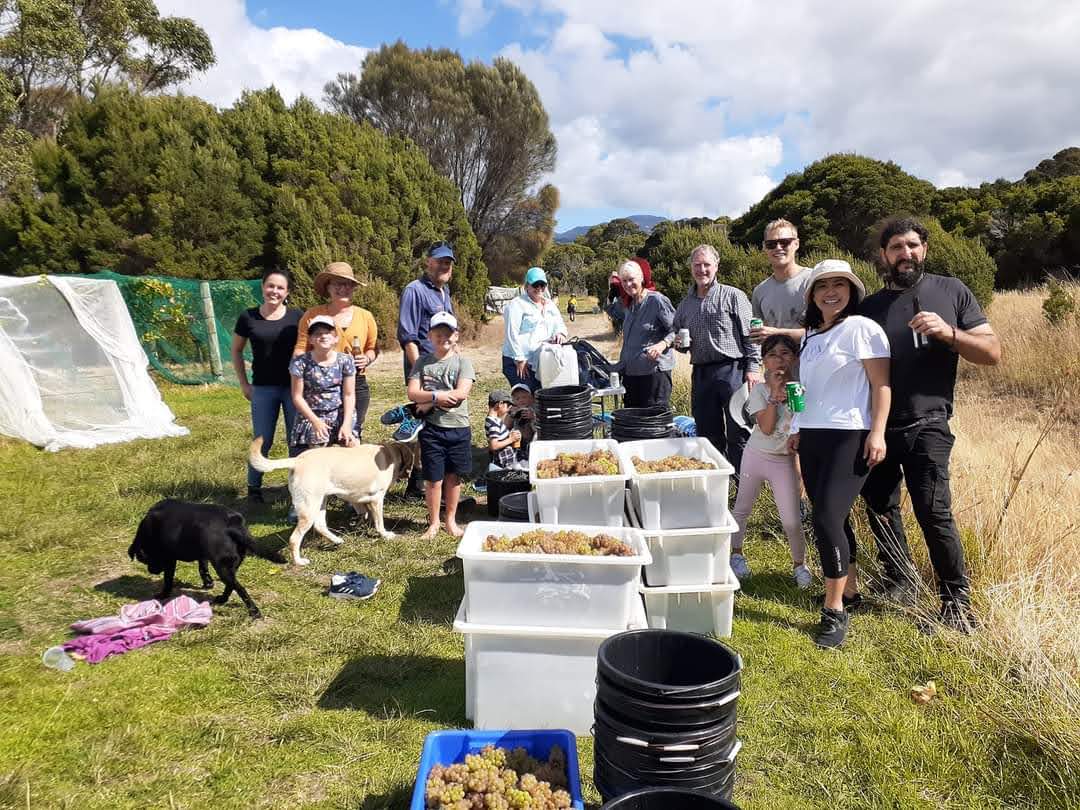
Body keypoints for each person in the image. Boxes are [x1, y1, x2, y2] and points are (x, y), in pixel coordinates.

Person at [860, 216, 1001, 631]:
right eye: (896, 247)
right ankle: (899, 580)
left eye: (912, 245)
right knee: (880, 506)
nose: (905, 253)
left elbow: (992, 353)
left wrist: (949, 333)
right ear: (884, 255)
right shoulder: (869, 308)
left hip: (930, 422)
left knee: (933, 512)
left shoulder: (951, 290)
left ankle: (956, 604)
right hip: (879, 425)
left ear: (924, 249)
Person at [788, 260, 891, 648]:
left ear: (852, 291)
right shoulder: (811, 336)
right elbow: (806, 389)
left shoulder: (863, 328)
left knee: (826, 519)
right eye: (822, 286)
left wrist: (877, 432)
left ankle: (834, 611)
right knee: (835, 518)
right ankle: (849, 591)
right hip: (813, 435)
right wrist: (797, 427)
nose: (830, 292)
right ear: (812, 295)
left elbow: (881, 385)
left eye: (839, 284)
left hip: (850, 435)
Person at [728, 335, 810, 588]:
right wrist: (774, 395)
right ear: (764, 361)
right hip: (756, 455)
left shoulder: (802, 388)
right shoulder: (760, 391)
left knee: (791, 519)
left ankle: (799, 566)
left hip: (784, 461)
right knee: (742, 508)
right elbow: (765, 427)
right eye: (772, 355)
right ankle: (736, 555)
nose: (779, 360)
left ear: (795, 358)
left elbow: (804, 424)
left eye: (785, 353)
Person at [672, 244, 762, 470]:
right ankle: (717, 480)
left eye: (706, 264)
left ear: (716, 266)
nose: (702, 270)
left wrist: (753, 368)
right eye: (697, 265)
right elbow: (679, 340)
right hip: (701, 372)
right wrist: (678, 344)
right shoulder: (685, 305)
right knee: (707, 433)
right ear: (691, 268)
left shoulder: (733, 296)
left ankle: (742, 484)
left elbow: (751, 335)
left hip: (733, 370)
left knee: (738, 431)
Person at [231, 269, 303, 503]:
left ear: (287, 292)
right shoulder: (248, 317)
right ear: (262, 287)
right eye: (270, 286)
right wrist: (244, 384)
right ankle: (254, 488)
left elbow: (309, 348)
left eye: (280, 288)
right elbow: (236, 350)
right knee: (263, 439)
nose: (275, 291)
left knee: (296, 440)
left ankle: (298, 488)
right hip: (262, 388)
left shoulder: (297, 317)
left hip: (294, 389)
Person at [407, 312, 475, 539]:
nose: (443, 337)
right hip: (431, 430)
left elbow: (461, 394)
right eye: (438, 333)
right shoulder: (422, 362)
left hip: (458, 428)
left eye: (448, 333)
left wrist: (428, 402)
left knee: (453, 478)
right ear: (429, 336)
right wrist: (437, 397)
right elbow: (412, 393)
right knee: (433, 479)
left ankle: (451, 520)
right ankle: (434, 522)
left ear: (456, 336)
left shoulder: (463, 362)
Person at [397, 241, 457, 496]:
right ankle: (418, 481)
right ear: (428, 262)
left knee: (434, 421)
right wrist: (420, 373)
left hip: (442, 368)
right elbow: (408, 337)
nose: (445, 266)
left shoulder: (444, 292)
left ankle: (426, 478)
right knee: (425, 422)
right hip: (423, 367)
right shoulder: (415, 290)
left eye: (448, 262)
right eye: (440, 261)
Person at [294, 262, 377, 440]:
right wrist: (300, 376)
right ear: (328, 287)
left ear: (353, 288)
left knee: (351, 433)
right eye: (338, 284)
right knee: (321, 434)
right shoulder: (312, 315)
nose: (343, 288)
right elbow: (300, 350)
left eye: (348, 284)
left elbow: (372, 349)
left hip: (356, 382)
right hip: (319, 383)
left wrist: (367, 359)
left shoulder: (366, 316)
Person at [288, 316, 359, 452]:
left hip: (340, 415)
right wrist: (315, 422)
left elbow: (349, 395)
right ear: (310, 339)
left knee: (353, 448)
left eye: (327, 333)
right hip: (313, 416)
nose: (323, 336)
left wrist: (346, 424)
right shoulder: (300, 363)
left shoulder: (346, 360)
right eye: (317, 333)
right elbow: (297, 397)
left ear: (336, 338)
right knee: (317, 454)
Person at [615, 259, 676, 409]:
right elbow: (612, 310)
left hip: (654, 375)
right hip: (631, 376)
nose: (628, 284)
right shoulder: (630, 304)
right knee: (633, 421)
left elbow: (678, 328)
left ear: (641, 278)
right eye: (624, 281)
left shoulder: (657, 300)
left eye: (631, 279)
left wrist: (662, 344)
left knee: (654, 420)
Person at [501, 267, 569, 390]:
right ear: (527, 286)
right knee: (525, 395)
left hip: (542, 359)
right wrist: (520, 359)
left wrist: (560, 333)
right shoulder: (516, 305)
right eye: (535, 285)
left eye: (542, 285)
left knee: (543, 393)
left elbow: (560, 324)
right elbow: (511, 334)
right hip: (519, 360)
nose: (539, 288)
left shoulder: (550, 305)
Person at [750, 219, 812, 344]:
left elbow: (826, 332)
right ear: (764, 247)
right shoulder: (759, 291)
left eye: (784, 242)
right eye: (771, 244)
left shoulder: (814, 280)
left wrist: (777, 334)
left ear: (796, 244)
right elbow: (759, 337)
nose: (778, 248)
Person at [485, 389, 525, 471]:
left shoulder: (493, 419)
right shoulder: (494, 424)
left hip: (507, 458)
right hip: (505, 462)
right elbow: (493, 446)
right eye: (508, 406)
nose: (509, 409)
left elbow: (499, 436)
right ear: (500, 404)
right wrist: (511, 439)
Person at [510, 383, 537, 449]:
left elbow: (540, 425)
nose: (521, 400)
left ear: (531, 398)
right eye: (517, 399)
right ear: (513, 401)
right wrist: (514, 413)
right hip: (520, 439)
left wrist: (533, 416)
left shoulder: (535, 408)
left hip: (534, 439)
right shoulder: (515, 410)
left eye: (524, 397)